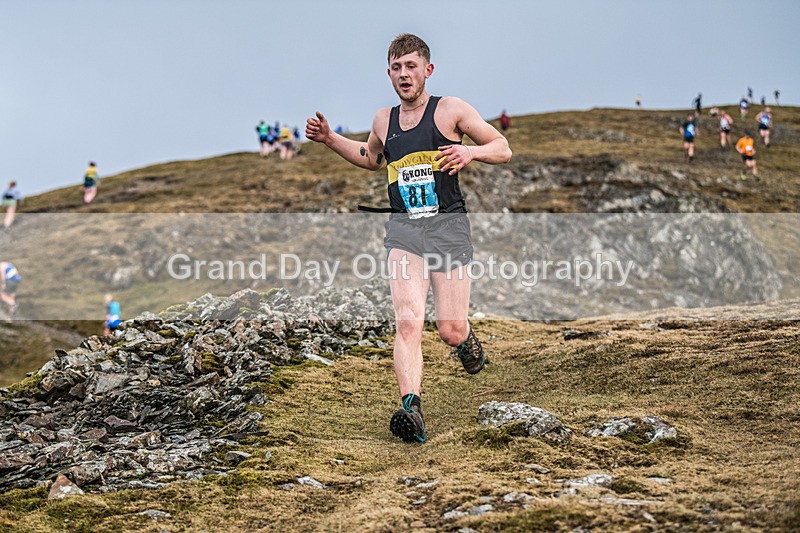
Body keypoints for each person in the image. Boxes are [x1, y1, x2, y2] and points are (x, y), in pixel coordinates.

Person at [305, 33, 511, 443]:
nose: (404, 74)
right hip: (404, 230)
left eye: (411, 66)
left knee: (449, 328)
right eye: (396, 68)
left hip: (448, 227)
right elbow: (371, 158)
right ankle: (410, 409)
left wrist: (470, 153)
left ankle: (465, 340)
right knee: (407, 320)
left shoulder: (450, 110)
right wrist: (330, 139)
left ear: (427, 70)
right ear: (389, 73)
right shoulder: (384, 119)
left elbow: (502, 147)